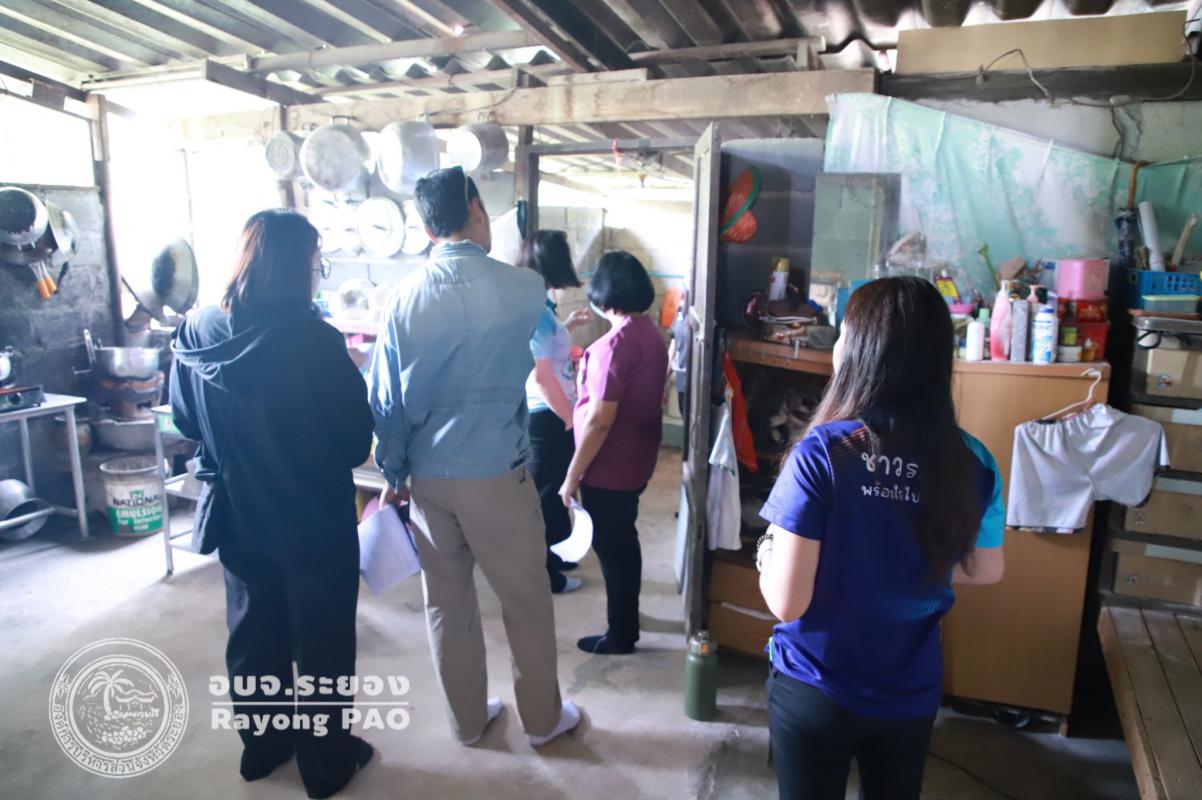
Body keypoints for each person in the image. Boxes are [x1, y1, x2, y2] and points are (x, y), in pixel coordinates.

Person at [755, 276, 1006, 800]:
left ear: (860, 351)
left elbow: (787, 601)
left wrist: (767, 553)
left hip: (817, 684)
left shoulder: (824, 452)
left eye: (844, 332)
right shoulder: (974, 461)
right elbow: (985, 568)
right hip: (909, 691)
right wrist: (907, 565)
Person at [369, 167, 581, 747]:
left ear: (426, 228)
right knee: (525, 601)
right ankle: (542, 721)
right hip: (496, 475)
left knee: (446, 604)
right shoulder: (524, 288)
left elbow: (384, 399)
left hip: (427, 478)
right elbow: (550, 351)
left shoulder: (401, 298)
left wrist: (393, 471)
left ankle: (466, 721)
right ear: (475, 208)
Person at [170, 209, 375, 799]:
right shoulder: (315, 343)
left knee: (253, 633)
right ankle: (326, 765)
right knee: (322, 641)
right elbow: (354, 443)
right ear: (297, 267)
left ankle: (263, 749)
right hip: (312, 518)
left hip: (236, 511)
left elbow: (185, 419)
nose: (317, 273)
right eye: (316, 264)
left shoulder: (198, 329)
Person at [559, 251, 668, 655]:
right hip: (636, 458)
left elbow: (600, 420)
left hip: (610, 466)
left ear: (604, 294)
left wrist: (572, 476)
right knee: (623, 541)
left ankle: (621, 634)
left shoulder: (614, 345)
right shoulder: (650, 334)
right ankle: (627, 619)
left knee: (613, 550)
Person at [517, 230, 591, 594]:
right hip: (547, 416)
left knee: (554, 489)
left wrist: (568, 326)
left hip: (551, 412)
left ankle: (559, 554)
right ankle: (547, 575)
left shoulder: (540, 306)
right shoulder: (537, 312)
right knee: (547, 496)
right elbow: (542, 378)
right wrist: (570, 418)